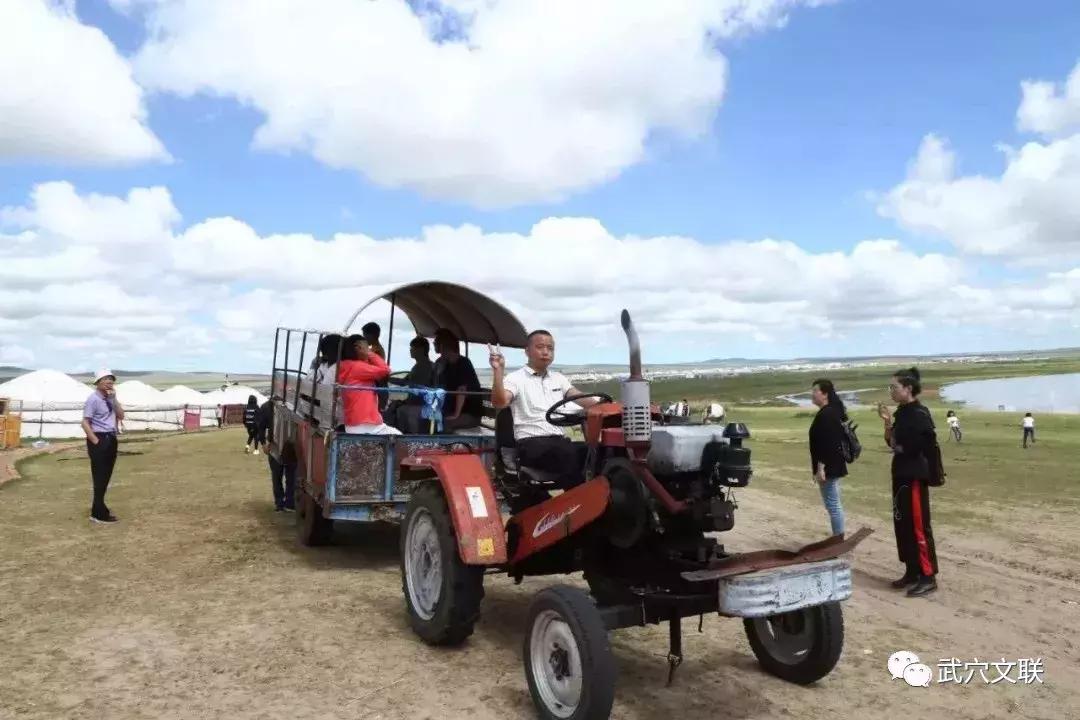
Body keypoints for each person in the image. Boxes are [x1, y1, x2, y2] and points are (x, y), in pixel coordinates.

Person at [489, 330, 603, 489]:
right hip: (531, 444)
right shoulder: (515, 379)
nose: (546, 352)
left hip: (558, 441)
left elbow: (578, 397)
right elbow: (499, 403)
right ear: (527, 351)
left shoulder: (558, 379)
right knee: (569, 455)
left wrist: (603, 405)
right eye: (540, 347)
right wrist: (498, 371)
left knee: (600, 452)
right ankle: (576, 502)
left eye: (550, 348)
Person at [878, 367, 939, 597]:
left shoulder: (920, 414)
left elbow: (922, 447)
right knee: (902, 525)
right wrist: (887, 422)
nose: (891, 391)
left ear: (908, 388)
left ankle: (927, 575)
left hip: (914, 476)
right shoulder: (902, 413)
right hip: (901, 474)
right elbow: (892, 442)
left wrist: (900, 447)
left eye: (894, 387)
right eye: (890, 387)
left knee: (918, 527)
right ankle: (912, 570)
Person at [81, 369, 125, 524]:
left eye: (111, 379)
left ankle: (99, 509)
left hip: (111, 438)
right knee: (99, 477)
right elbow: (85, 422)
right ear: (98, 382)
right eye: (106, 379)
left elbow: (121, 415)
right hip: (99, 438)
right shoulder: (93, 399)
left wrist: (115, 399)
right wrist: (95, 441)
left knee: (105, 477)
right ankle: (98, 513)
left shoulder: (110, 398)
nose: (110, 382)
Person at [337, 337, 400, 435]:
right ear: (358, 348)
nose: (369, 349)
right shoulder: (357, 367)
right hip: (366, 424)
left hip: (352, 424)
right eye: (367, 347)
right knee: (400, 439)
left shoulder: (346, 366)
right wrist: (369, 354)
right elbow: (385, 370)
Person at [808, 379, 847, 538]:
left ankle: (838, 539)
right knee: (834, 503)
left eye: (815, 390)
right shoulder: (830, 412)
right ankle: (838, 537)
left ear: (824, 394)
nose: (812, 394)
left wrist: (821, 468)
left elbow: (829, 444)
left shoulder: (827, 414)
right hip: (832, 465)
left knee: (833, 505)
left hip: (829, 467)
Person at [433, 328, 483, 432]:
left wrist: (456, 414)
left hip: (469, 414)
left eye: (436, 341)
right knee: (428, 419)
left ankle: (445, 447)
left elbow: (462, 389)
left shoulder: (463, 363)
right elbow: (436, 386)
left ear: (443, 345)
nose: (434, 343)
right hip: (450, 410)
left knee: (443, 422)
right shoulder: (443, 364)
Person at [388, 336, 436, 433]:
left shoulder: (423, 366)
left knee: (398, 410)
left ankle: (404, 437)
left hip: (422, 403)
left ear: (421, 349)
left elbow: (411, 386)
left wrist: (387, 379)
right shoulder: (419, 366)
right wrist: (387, 378)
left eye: (412, 348)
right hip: (419, 402)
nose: (410, 350)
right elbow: (404, 382)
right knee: (394, 405)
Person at [256, 397, 295, 511]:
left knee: (291, 476)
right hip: (274, 447)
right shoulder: (266, 407)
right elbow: (261, 427)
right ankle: (279, 503)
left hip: (291, 446)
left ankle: (289, 502)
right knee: (277, 476)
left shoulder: (292, 404)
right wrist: (263, 443)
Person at [361, 323, 389, 411]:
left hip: (378, 386)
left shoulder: (376, 351)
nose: (364, 338)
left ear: (372, 335)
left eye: (365, 335)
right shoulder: (374, 349)